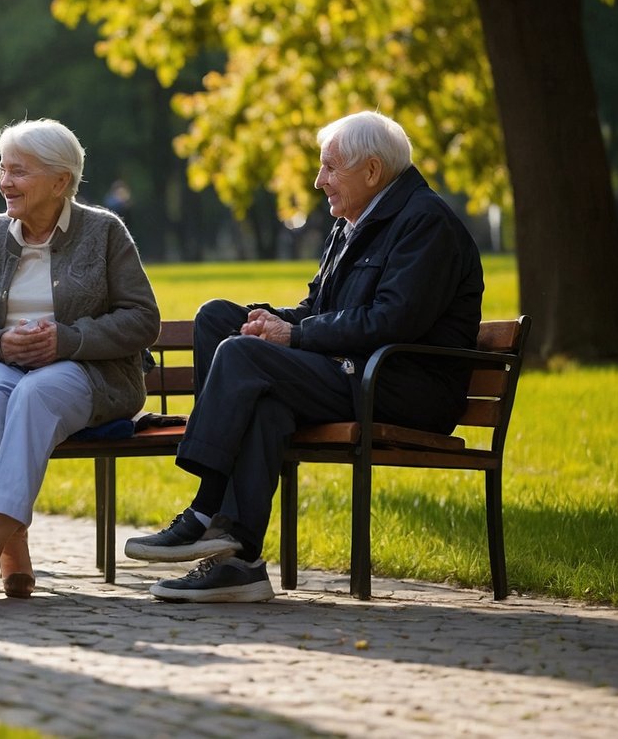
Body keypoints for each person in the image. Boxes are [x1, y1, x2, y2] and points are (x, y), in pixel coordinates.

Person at [125, 111, 483, 602]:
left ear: (372, 171)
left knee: (244, 357)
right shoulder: (353, 221)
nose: (320, 182)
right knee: (220, 324)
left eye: (331, 169)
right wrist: (270, 322)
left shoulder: (426, 222)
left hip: (401, 385)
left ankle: (207, 511)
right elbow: (317, 308)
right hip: (350, 373)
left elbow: (391, 321)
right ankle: (241, 565)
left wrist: (292, 336)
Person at [0, 118, 161, 601]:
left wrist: (68, 340)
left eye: (19, 172)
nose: (5, 182)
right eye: (1, 171)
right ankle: (14, 553)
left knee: (35, 392)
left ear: (60, 181)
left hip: (84, 372)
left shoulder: (105, 232)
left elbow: (142, 320)